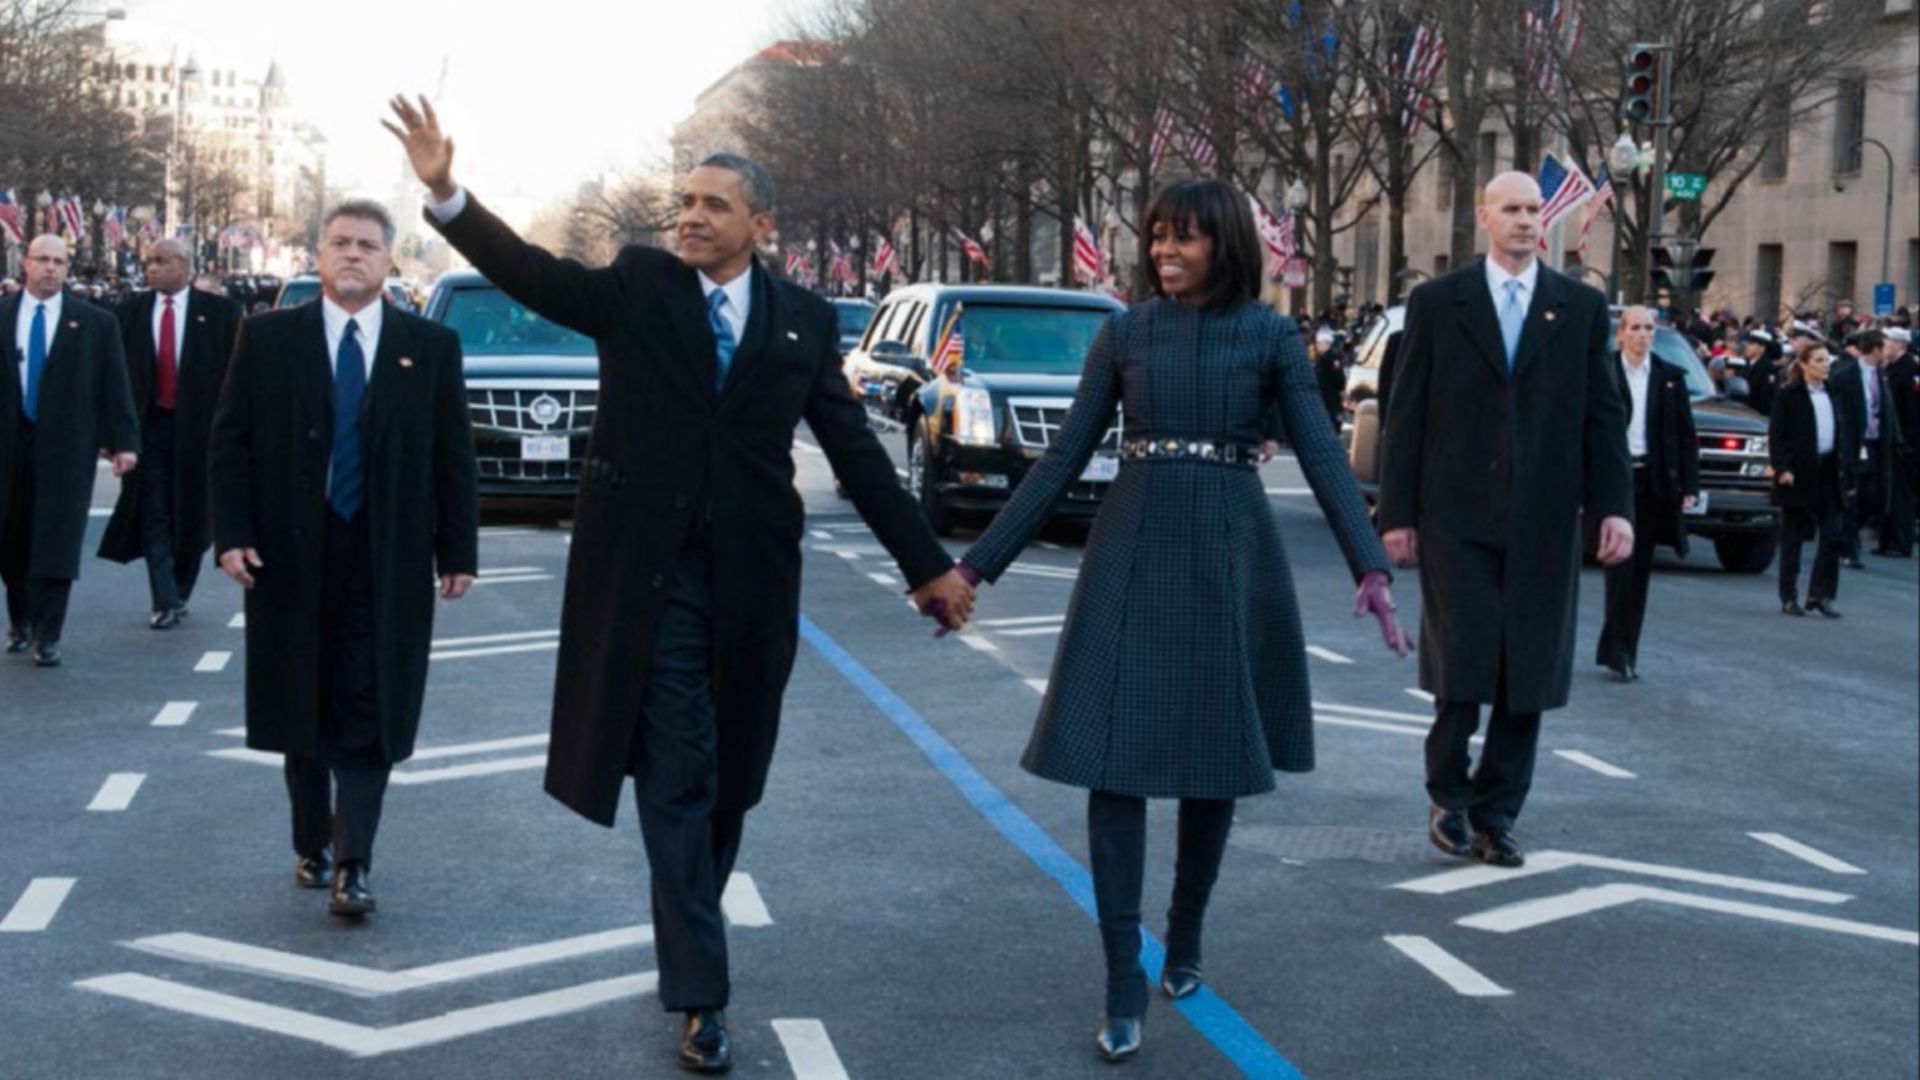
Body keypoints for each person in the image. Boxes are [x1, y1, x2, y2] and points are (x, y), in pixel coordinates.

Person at [385, 95, 974, 1073]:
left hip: (751, 587)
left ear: (760, 226)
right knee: (678, 775)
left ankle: (691, 931)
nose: (690, 216)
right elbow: (532, 274)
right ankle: (701, 993)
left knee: (730, 782)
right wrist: (447, 192)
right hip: (644, 584)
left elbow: (858, 456)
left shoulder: (802, 319)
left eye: (712, 204)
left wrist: (930, 569)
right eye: (685, 201)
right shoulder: (640, 286)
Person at [946, 179, 1407, 1064]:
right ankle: (1124, 974)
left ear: (1224, 244)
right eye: (1157, 236)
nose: (1164, 250)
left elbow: (1318, 449)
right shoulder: (1125, 332)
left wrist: (1370, 564)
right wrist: (973, 566)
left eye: (1184, 238)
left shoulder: (1270, 335)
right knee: (1113, 767)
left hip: (1230, 551)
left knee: (1210, 765)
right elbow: (1064, 458)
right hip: (1133, 544)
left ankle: (1184, 939)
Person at [208, 201, 480, 918]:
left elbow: (455, 458)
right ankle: (311, 839)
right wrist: (230, 534)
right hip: (291, 555)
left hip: (386, 555)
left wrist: (458, 549)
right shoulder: (266, 339)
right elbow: (229, 444)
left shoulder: (429, 346)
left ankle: (353, 860)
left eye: (367, 245)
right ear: (317, 256)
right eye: (340, 243)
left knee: (371, 703)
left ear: (390, 260)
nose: (353, 254)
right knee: (303, 699)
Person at [1377, 172, 1634, 870]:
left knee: (1528, 673)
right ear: (1484, 217)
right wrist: (1396, 514)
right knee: (1463, 664)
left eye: (1534, 210)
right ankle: (1448, 796)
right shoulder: (1437, 303)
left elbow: (1604, 417)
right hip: (1455, 515)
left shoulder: (1579, 308)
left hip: (1547, 520)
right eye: (1512, 209)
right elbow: (1406, 416)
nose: (1526, 221)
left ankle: (1496, 815)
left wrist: (1615, 508)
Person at [1, 235, 140, 667]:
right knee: (12, 538)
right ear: (24, 263)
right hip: (9, 444)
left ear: (68, 268)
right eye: (41, 259)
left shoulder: (96, 324)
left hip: (66, 446)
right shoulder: (4, 316)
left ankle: (48, 634)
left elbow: (115, 387)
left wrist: (124, 442)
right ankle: (21, 619)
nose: (49, 268)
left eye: (58, 262)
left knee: (57, 539)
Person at [97, 239, 243, 628]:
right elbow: (114, 378)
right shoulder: (128, 313)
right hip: (148, 428)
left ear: (184, 265)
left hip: (199, 431)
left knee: (193, 514)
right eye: (149, 261)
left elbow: (236, 378)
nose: (152, 268)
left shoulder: (221, 314)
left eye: (161, 261)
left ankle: (179, 590)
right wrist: (112, 435)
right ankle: (163, 600)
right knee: (153, 512)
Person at [1595, 307, 1700, 683]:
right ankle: (1616, 649)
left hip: (1652, 480)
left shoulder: (1669, 378)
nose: (1643, 335)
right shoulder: (1604, 371)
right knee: (1618, 566)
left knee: (1639, 571)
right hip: (1614, 479)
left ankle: (1625, 651)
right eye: (1636, 328)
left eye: (1649, 328)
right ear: (1620, 335)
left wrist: (1689, 485)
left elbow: (1685, 435)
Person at [1769, 341, 1856, 617]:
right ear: (1805, 364)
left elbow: (1843, 431)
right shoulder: (1789, 394)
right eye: (1818, 360)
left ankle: (1819, 594)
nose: (1825, 365)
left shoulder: (1833, 392)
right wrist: (1782, 468)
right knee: (1793, 537)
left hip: (1829, 470)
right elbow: (1777, 435)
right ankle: (1788, 596)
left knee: (1832, 534)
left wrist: (1848, 471)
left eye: (1827, 360)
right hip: (1798, 473)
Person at [1832, 330, 1911, 559]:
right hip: (1855, 442)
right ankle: (1849, 546)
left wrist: (1896, 439)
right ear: (1875, 349)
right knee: (1855, 492)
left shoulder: (1882, 374)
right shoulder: (1845, 374)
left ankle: (1851, 533)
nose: (1888, 350)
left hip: (1877, 442)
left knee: (1875, 495)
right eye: (1885, 346)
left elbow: (1888, 408)